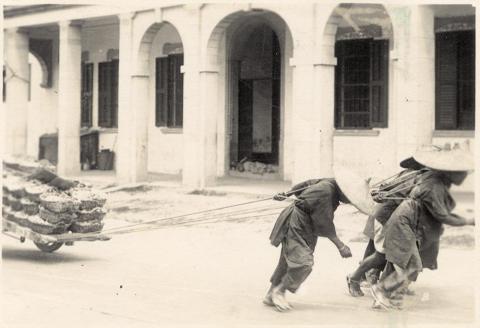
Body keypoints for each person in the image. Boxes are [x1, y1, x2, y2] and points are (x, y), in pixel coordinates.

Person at [371, 149, 475, 310]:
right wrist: (468, 221)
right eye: (461, 173)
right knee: (411, 264)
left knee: (404, 262)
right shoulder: (433, 186)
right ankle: (381, 289)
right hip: (404, 223)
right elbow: (442, 216)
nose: (464, 176)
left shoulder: (437, 182)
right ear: (450, 173)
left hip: (412, 224)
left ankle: (389, 297)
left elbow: (441, 212)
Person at [264, 178, 352, 311]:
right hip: (297, 222)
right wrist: (341, 246)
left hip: (306, 223)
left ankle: (270, 294)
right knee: (303, 263)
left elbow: (304, 185)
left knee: (287, 260)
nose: (350, 201)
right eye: (350, 198)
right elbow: (324, 223)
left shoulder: (331, 182)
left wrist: (287, 193)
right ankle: (279, 291)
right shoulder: (326, 191)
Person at [347, 157, 425, 297]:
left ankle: (392, 285)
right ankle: (354, 278)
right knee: (381, 255)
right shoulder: (413, 177)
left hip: (394, 219)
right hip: (387, 218)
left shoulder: (412, 175)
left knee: (396, 254)